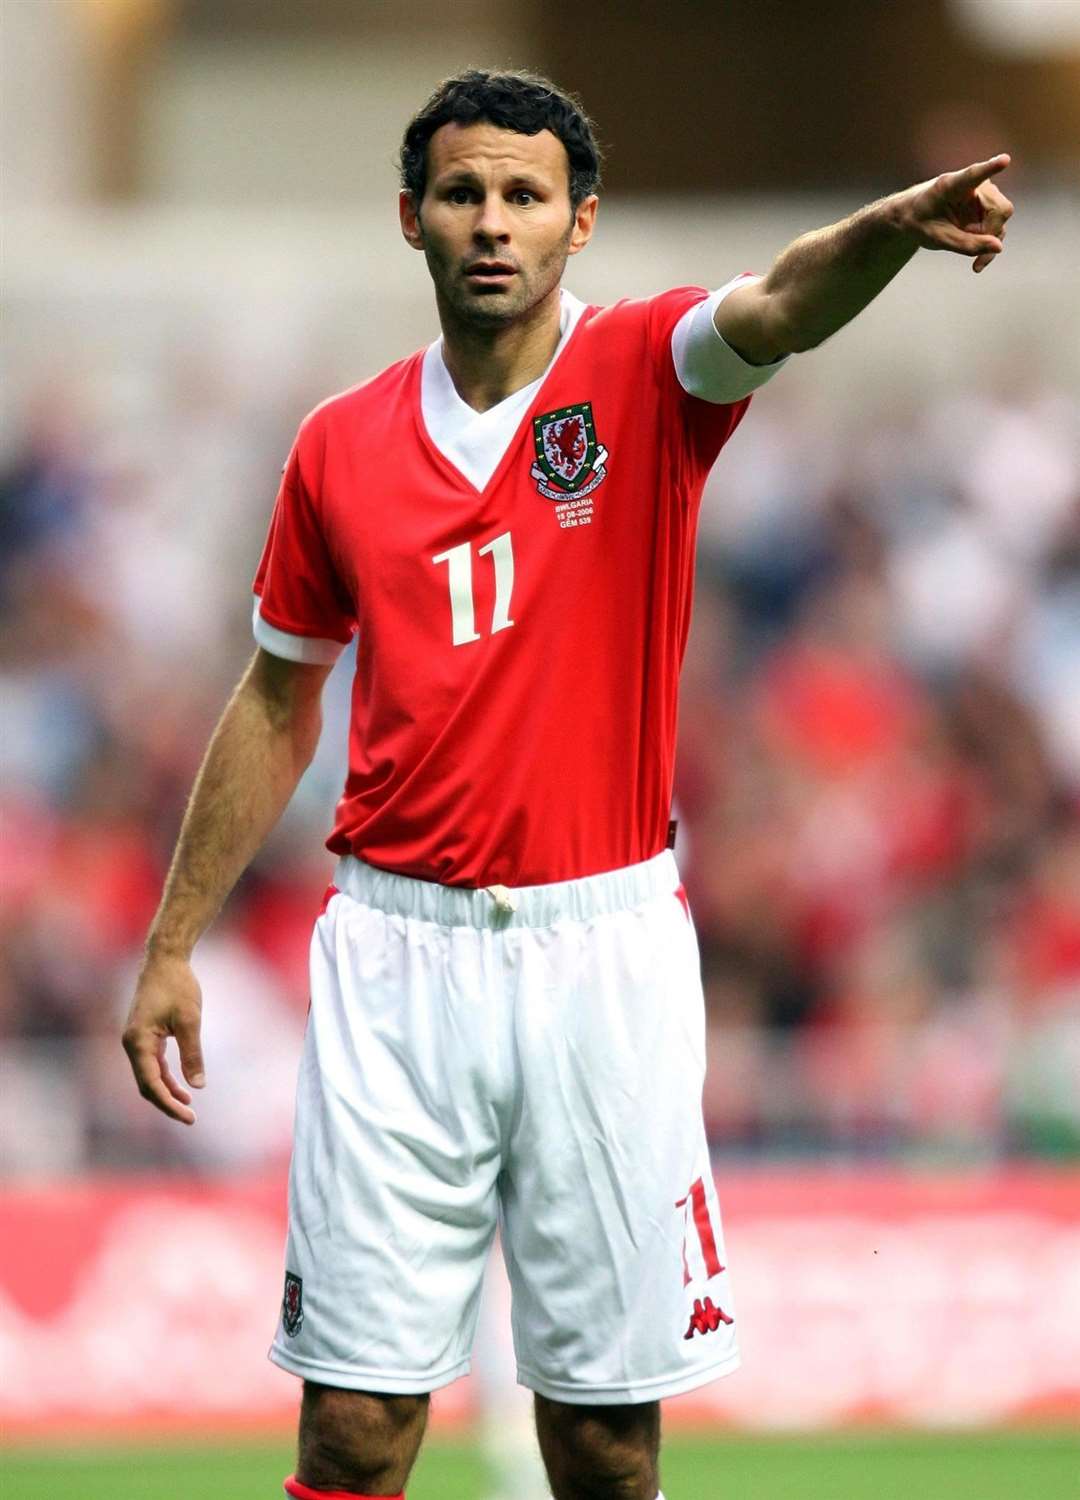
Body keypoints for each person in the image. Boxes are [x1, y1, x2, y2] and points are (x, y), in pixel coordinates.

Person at [122, 68, 1013, 1500]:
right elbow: (277, 692)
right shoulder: (337, 444)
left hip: (598, 953)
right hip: (396, 964)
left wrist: (891, 234)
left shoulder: (648, 373)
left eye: (525, 196)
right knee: (352, 1428)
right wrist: (171, 943)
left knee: (602, 1442)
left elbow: (779, 303)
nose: (493, 223)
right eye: (464, 194)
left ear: (577, 225)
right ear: (409, 218)